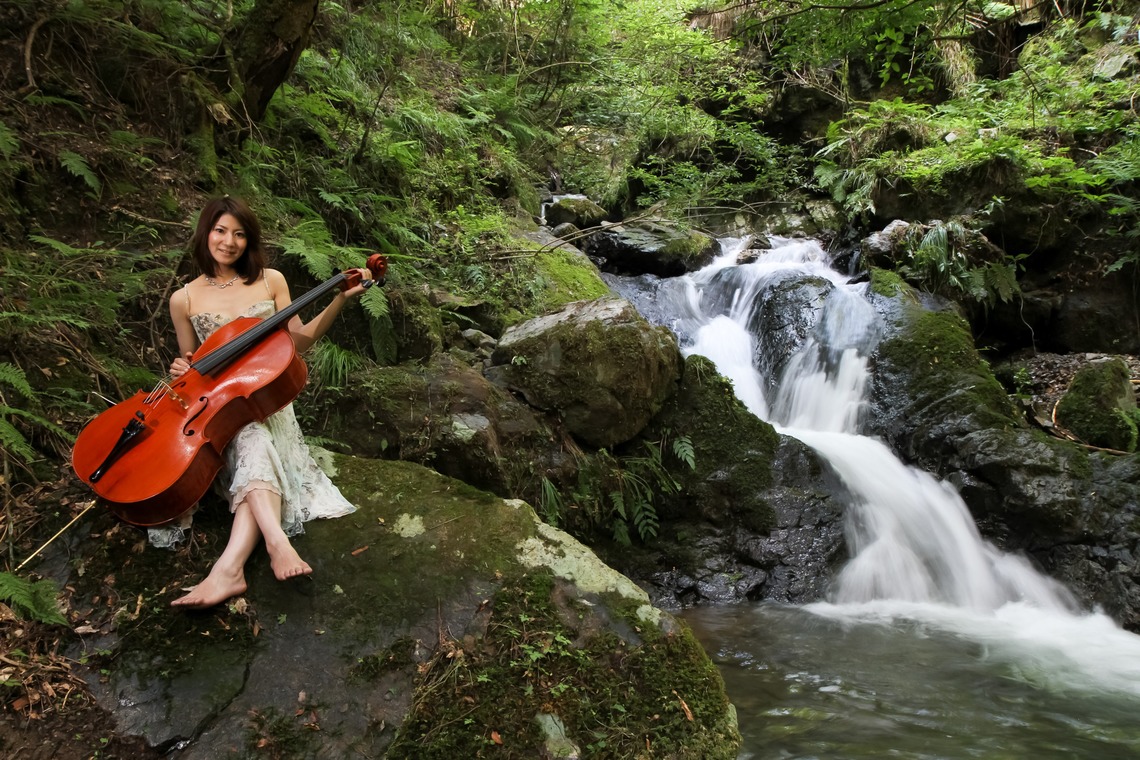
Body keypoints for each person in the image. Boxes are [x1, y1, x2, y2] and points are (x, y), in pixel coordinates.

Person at [152, 196, 372, 609]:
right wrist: (181, 369)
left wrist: (340, 298)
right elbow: (191, 369)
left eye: (239, 234)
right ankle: (273, 544)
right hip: (217, 407)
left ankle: (229, 569)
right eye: (220, 231)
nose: (229, 241)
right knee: (247, 438)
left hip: (266, 399)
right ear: (206, 233)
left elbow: (299, 341)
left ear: (249, 241)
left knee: (255, 436)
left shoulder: (270, 280)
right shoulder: (183, 298)